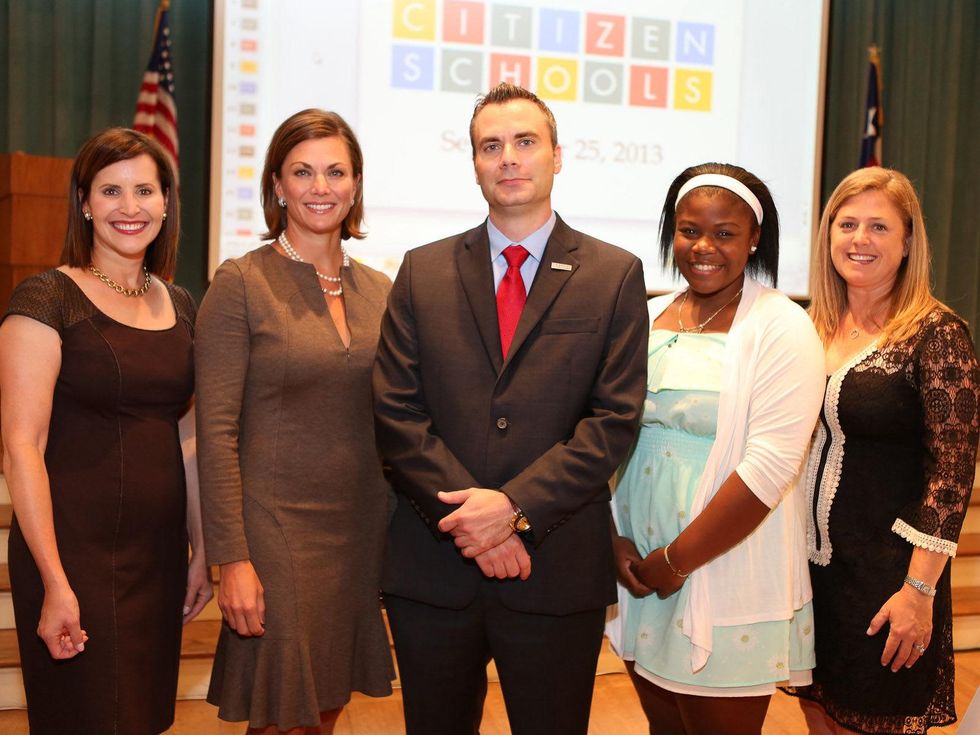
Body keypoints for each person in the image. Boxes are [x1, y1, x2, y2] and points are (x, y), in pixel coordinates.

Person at [372, 82, 649, 735]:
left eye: (525, 142)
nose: (508, 159)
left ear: (557, 154)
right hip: (434, 572)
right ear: (473, 163)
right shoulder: (421, 270)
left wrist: (514, 509)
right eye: (490, 146)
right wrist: (477, 521)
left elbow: (613, 420)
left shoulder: (614, 274)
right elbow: (396, 412)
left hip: (555, 570)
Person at [0, 127, 211, 734]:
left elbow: (188, 439)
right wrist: (54, 582)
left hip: (158, 555)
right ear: (85, 203)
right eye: (111, 190)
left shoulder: (181, 304)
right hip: (73, 555)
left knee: (143, 720)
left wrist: (202, 553)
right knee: (86, 719)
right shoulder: (46, 299)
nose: (130, 207)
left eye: (145, 189)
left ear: (166, 202)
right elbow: (22, 447)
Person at [606, 163, 826, 735]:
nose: (704, 247)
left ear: (755, 238)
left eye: (725, 233)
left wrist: (677, 561)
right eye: (689, 230)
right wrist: (613, 539)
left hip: (722, 563)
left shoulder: (783, 326)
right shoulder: (647, 316)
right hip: (640, 565)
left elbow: (771, 466)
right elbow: (605, 432)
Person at [195, 108, 394, 735]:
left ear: (356, 184)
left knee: (325, 706)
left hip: (359, 529)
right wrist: (232, 559)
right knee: (282, 711)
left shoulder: (383, 291)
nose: (320, 187)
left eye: (336, 172)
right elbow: (216, 431)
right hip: (274, 530)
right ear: (276, 185)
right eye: (302, 172)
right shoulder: (240, 283)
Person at [791, 167, 979, 734]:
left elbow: (952, 474)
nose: (859, 239)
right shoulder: (809, 328)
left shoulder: (937, 334)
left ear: (907, 244)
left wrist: (919, 592)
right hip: (807, 572)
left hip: (888, 580)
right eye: (846, 224)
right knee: (816, 713)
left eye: (879, 226)